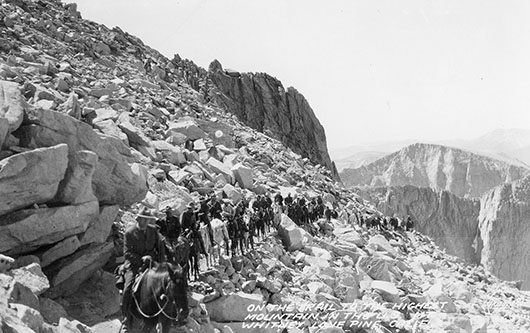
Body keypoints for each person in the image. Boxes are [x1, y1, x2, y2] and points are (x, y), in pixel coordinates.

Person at [122, 207, 166, 333]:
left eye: (148, 220)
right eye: (144, 219)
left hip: (152, 263)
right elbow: (127, 253)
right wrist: (141, 259)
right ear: (138, 219)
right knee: (128, 289)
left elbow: (160, 247)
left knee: (166, 284)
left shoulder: (153, 230)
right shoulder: (129, 233)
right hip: (135, 265)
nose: (146, 222)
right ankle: (126, 318)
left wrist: (161, 263)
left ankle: (165, 316)